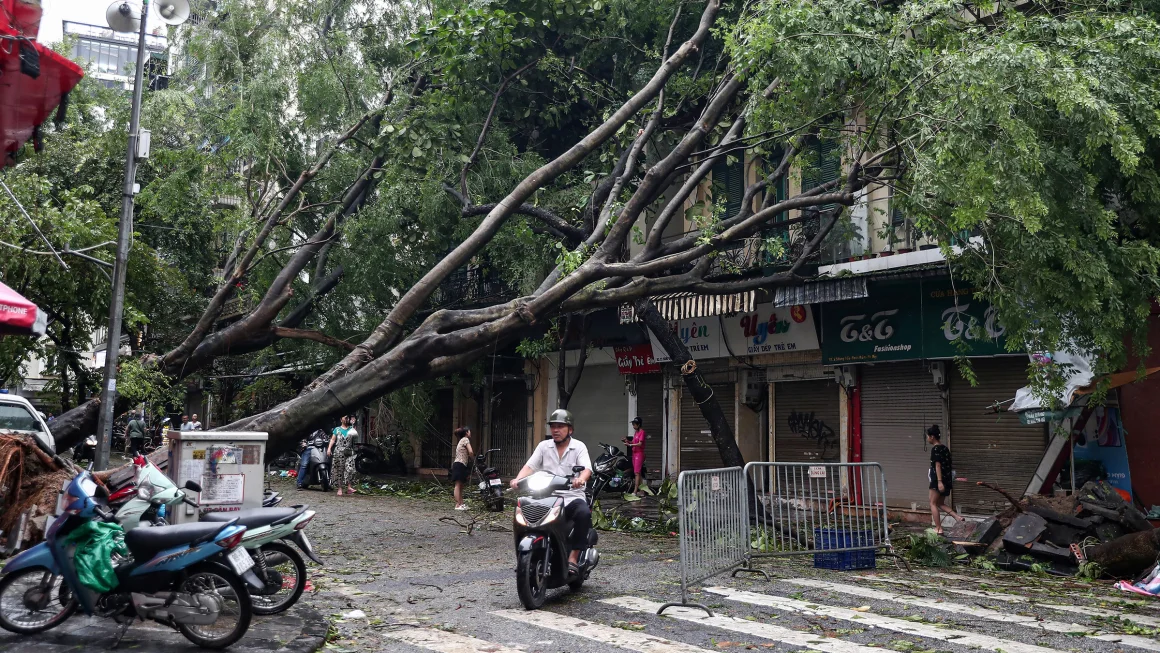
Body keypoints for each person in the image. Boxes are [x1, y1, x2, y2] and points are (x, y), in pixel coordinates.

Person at [509, 409, 592, 578]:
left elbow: (586, 469)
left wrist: (581, 479)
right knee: (522, 510)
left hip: (571, 497)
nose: (556, 430)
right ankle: (524, 557)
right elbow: (530, 466)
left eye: (560, 426)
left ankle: (574, 557)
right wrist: (517, 480)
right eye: (553, 426)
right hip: (545, 495)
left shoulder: (579, 447)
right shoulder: (543, 446)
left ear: (570, 429)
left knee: (583, 513)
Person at [927, 424, 963, 535]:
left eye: (928, 436)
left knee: (932, 503)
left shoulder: (936, 449)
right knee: (940, 503)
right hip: (947, 480)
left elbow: (937, 466)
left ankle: (938, 528)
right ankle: (958, 518)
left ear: (932, 437)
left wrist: (939, 482)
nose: (927, 439)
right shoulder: (945, 449)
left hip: (938, 481)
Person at [328, 416, 357, 496]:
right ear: (341, 419)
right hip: (339, 451)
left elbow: (355, 438)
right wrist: (329, 448)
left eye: (347, 417)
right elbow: (333, 439)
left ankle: (349, 487)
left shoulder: (351, 429)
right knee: (339, 470)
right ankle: (340, 488)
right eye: (345, 418)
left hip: (349, 451)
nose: (346, 419)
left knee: (350, 468)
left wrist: (353, 426)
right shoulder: (337, 429)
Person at [450, 427, 474, 510]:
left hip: (460, 464)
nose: (470, 433)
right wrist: (472, 458)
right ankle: (457, 504)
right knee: (458, 484)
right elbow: (470, 451)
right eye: (469, 431)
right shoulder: (465, 439)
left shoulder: (461, 440)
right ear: (467, 433)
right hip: (460, 464)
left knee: (460, 485)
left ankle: (461, 503)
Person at [625, 417, 647, 496]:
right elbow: (634, 442)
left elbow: (640, 444)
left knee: (636, 473)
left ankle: (635, 491)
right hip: (634, 453)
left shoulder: (642, 432)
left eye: (634, 424)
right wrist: (627, 441)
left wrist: (630, 444)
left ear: (639, 424)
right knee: (638, 473)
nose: (633, 426)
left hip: (639, 454)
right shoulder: (636, 433)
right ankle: (642, 491)